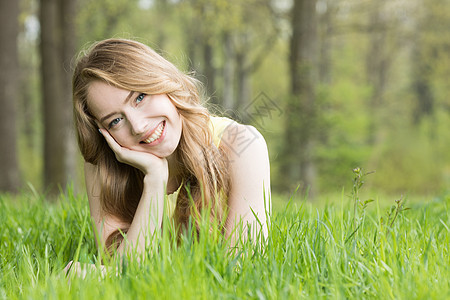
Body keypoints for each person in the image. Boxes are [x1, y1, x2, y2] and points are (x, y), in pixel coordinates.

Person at [71, 38, 271, 260]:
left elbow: (243, 267)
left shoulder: (243, 145)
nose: (138, 126)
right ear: (103, 132)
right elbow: (121, 275)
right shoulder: (103, 164)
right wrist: (155, 180)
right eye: (115, 121)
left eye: (139, 97)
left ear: (163, 81)